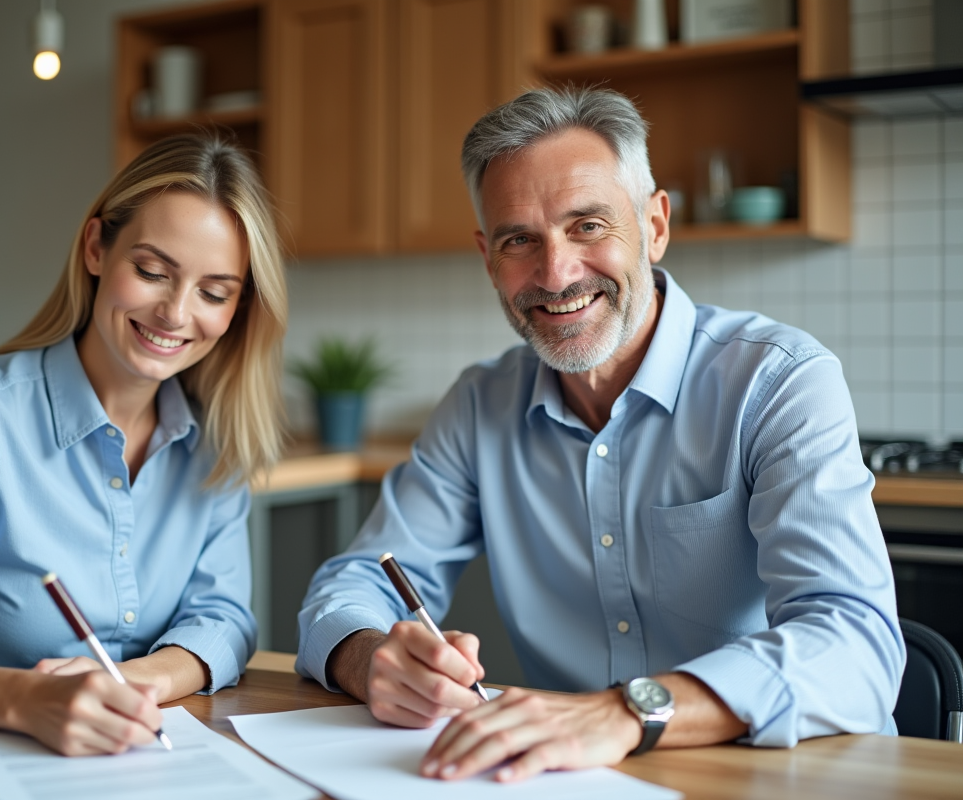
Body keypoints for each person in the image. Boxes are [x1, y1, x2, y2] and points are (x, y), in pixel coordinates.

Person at [295, 86, 904, 782]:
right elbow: (350, 584)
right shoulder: (478, 406)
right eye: (519, 240)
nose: (556, 273)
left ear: (655, 225)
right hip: (575, 778)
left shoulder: (778, 382)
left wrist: (628, 711)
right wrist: (371, 657)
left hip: (780, 775)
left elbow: (856, 645)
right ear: (489, 259)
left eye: (587, 225)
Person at [0, 132, 288, 756]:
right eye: (152, 272)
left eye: (213, 292)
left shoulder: (215, 440)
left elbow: (223, 618)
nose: (176, 313)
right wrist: (27, 699)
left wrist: (137, 679)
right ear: (96, 248)